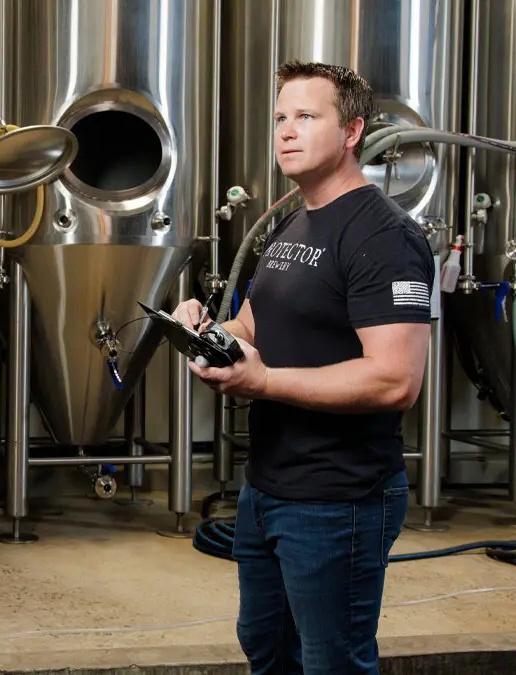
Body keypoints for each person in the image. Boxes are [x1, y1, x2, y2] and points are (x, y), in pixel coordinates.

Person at [173, 61, 435, 674]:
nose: (287, 132)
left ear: (351, 132)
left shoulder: (383, 237)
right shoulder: (292, 222)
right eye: (280, 119)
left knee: (332, 663)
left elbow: (395, 379)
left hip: (338, 496)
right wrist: (211, 333)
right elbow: (256, 327)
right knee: (266, 648)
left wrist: (262, 381)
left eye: (307, 117)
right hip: (267, 486)